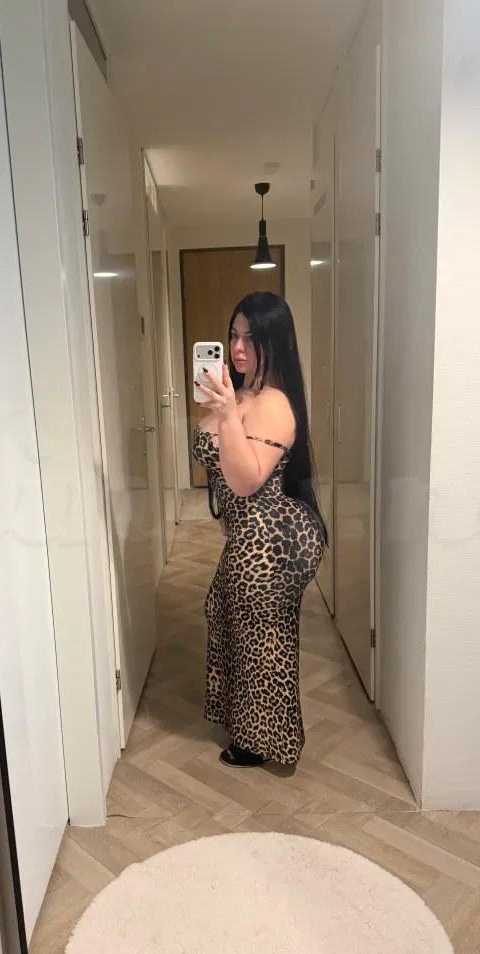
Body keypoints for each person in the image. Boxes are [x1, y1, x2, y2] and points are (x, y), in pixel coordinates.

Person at [192, 291, 326, 768]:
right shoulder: (243, 394)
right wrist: (225, 407)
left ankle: (264, 742)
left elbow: (247, 480)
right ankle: (247, 726)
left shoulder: (274, 404)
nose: (237, 347)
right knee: (233, 622)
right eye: (233, 335)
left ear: (275, 341)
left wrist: (228, 414)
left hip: (270, 537)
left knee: (262, 642)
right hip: (246, 532)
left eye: (251, 338)